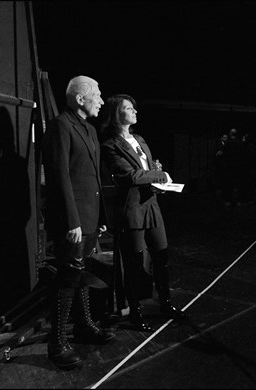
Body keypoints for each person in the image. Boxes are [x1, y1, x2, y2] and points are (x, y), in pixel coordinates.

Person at [42, 75, 115, 369]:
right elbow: (60, 177)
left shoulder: (88, 128)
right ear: (81, 98)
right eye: (96, 94)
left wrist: (99, 218)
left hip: (87, 218)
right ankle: (57, 344)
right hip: (72, 221)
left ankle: (84, 326)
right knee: (67, 277)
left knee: (80, 273)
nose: (100, 99)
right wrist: (72, 221)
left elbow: (93, 178)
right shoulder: (61, 125)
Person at [100, 94, 186, 333]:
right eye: (128, 108)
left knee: (161, 256)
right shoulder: (110, 144)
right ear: (116, 114)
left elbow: (146, 170)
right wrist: (160, 176)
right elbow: (130, 176)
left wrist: (158, 177)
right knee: (135, 262)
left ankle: (166, 303)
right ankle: (136, 312)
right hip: (132, 208)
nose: (134, 111)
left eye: (134, 107)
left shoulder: (139, 139)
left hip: (151, 205)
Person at [221, 128, 245, 205]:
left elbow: (224, 156)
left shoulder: (226, 143)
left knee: (228, 184)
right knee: (239, 184)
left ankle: (228, 200)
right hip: (239, 166)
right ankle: (239, 201)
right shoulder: (240, 143)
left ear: (230, 134)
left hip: (228, 166)